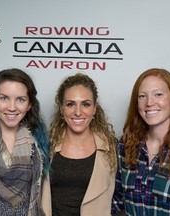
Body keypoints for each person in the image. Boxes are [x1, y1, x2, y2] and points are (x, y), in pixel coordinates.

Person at [0, 68, 50, 216]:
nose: (12, 107)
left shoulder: (39, 140)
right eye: (4, 98)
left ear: (29, 104)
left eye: (20, 99)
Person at [112, 68, 170, 215]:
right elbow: (116, 202)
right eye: (142, 96)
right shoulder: (126, 145)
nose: (149, 102)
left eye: (158, 94)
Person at [42, 73, 117, 216]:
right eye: (70, 104)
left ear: (94, 108)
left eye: (85, 104)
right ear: (62, 108)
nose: (78, 112)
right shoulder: (45, 144)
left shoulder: (112, 147)